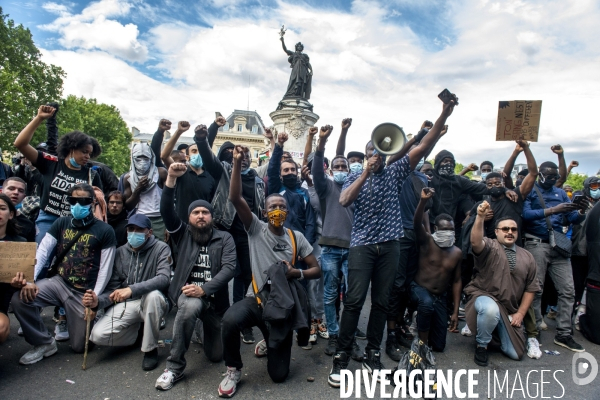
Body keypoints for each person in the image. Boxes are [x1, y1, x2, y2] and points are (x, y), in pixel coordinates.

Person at [328, 98, 455, 388]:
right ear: (366, 155)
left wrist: (444, 113)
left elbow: (423, 146)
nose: (375, 155)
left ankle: (374, 352)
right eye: (371, 150)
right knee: (354, 302)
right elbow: (344, 200)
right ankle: (341, 357)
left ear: (386, 154)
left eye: (379, 151)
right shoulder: (351, 176)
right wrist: (363, 173)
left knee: (382, 303)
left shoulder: (397, 171)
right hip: (361, 246)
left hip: (390, 245)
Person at [218, 145, 320, 398]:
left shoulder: (296, 238)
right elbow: (234, 198)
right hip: (258, 300)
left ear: (287, 212)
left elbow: (316, 269)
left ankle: (269, 340)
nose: (278, 211)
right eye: (272, 206)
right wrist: (237, 164)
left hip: (282, 308)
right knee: (230, 320)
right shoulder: (256, 228)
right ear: (264, 212)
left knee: (278, 376)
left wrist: (298, 273)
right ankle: (233, 369)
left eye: (282, 207)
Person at [11, 183, 116, 363]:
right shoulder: (61, 223)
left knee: (79, 346)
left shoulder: (105, 230)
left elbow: (106, 268)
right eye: (73, 200)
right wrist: (30, 279)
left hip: (83, 292)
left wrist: (94, 298)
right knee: (20, 298)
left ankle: (95, 316)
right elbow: (43, 251)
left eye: (82, 201)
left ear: (91, 203)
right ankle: (44, 342)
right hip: (59, 282)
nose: (77, 205)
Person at [155, 163, 236, 390]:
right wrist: (170, 178)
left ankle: (198, 328)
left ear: (211, 216)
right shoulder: (182, 234)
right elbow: (166, 211)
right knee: (190, 307)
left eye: (205, 212)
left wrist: (205, 289)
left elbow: (229, 268)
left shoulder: (225, 238)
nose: (200, 216)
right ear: (189, 217)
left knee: (216, 355)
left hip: (215, 304)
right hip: (187, 295)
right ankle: (174, 367)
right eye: (195, 212)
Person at [195, 121, 265, 344]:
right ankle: (221, 318)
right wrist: (201, 140)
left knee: (247, 276)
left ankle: (243, 321)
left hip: (248, 234)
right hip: (224, 230)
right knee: (222, 275)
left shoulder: (258, 180)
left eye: (246, 155)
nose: (243, 157)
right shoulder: (223, 170)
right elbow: (208, 158)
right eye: (239, 153)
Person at [87, 214, 171, 370]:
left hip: (152, 301)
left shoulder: (161, 248)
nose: (134, 233)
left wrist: (131, 289)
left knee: (153, 297)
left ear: (149, 232)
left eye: (140, 229)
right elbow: (113, 289)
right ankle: (139, 333)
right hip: (128, 305)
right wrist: (98, 302)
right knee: (98, 335)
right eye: (131, 229)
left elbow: (164, 278)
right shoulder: (120, 252)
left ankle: (150, 349)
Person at [523, 161, 588, 352]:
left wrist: (580, 211)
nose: (552, 178)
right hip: (537, 242)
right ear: (540, 174)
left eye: (555, 176)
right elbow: (525, 214)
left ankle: (564, 333)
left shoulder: (560, 193)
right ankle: (533, 332)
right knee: (537, 289)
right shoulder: (531, 190)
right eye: (548, 175)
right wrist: (552, 210)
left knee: (568, 290)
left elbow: (571, 219)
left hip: (558, 245)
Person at [13, 105, 103, 244]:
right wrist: (39, 118)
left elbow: (97, 205)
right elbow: (20, 144)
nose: (87, 156)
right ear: (72, 148)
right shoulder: (51, 163)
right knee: (41, 262)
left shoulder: (92, 175)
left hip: (75, 225)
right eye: (84, 151)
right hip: (46, 222)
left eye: (90, 154)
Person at [465, 201, 539, 366]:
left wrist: (520, 313)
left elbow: (531, 288)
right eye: (505, 229)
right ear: (497, 232)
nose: (510, 232)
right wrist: (480, 217)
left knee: (515, 353)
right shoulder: (490, 246)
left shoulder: (527, 256)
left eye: (513, 229)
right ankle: (482, 345)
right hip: (484, 297)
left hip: (510, 309)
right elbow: (476, 242)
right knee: (490, 309)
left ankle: (493, 331)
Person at [311, 125, 362, 360]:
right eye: (337, 166)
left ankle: (347, 337)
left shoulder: (357, 188)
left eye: (344, 166)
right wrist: (321, 143)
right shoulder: (325, 186)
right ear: (331, 170)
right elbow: (316, 170)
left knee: (352, 296)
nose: (341, 169)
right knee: (330, 295)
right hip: (330, 249)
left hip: (354, 249)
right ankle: (333, 334)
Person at [411, 187, 462, 353]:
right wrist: (423, 201)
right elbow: (416, 222)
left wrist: (454, 311)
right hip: (418, 290)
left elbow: (456, 281)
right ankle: (421, 346)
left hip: (440, 297)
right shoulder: (427, 241)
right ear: (435, 229)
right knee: (425, 304)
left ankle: (424, 326)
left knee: (439, 346)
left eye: (451, 230)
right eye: (444, 230)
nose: (448, 233)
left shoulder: (456, 252)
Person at [160, 121, 216, 222]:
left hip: (203, 226)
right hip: (182, 227)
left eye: (200, 151)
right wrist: (179, 132)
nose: (198, 154)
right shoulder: (181, 172)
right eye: (194, 151)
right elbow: (164, 156)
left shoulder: (211, 177)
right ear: (187, 157)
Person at [123, 142, 168, 241]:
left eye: (146, 158)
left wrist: (168, 224)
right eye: (138, 158)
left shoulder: (160, 173)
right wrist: (138, 189)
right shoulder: (128, 178)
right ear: (133, 158)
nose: (142, 161)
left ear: (151, 158)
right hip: (140, 218)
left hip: (160, 218)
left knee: (162, 247)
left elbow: (168, 199)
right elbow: (128, 206)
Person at [0, 194, 27, 344]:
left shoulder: (20, 244)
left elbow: (26, 278)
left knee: (0, 329)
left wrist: (20, 284)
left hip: (1, 304)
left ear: (11, 214)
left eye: (2, 208)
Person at [2, 177, 35, 242]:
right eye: (11, 189)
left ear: (24, 197)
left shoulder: (27, 224)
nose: (16, 192)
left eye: (21, 191)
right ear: (1, 191)